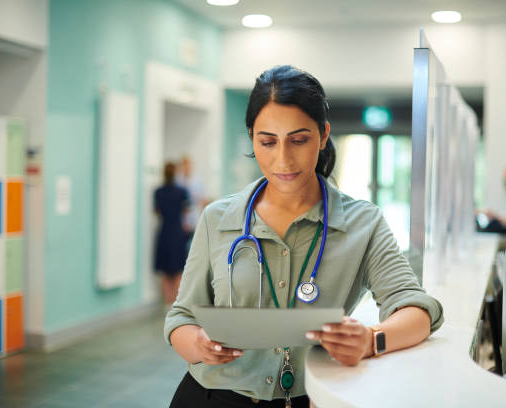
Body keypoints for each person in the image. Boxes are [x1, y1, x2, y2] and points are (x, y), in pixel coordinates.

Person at [165, 65, 444, 407]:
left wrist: (372, 340)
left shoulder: (362, 223)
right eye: (267, 142)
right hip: (210, 397)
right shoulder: (218, 219)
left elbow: (418, 310)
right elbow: (181, 319)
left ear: (324, 135)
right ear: (252, 138)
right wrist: (199, 345)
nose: (283, 159)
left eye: (299, 140)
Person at [154, 162, 190, 306]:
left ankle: (167, 304)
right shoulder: (182, 191)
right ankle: (176, 305)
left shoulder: (158, 192)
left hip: (164, 232)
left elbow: (156, 211)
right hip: (177, 232)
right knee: (177, 270)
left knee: (165, 271)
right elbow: (186, 210)